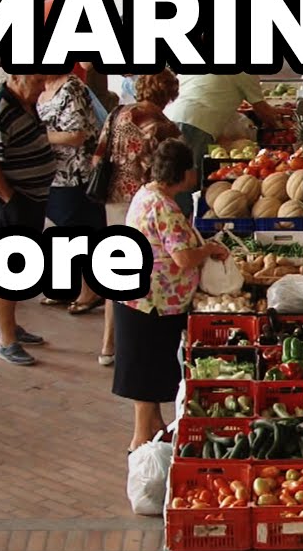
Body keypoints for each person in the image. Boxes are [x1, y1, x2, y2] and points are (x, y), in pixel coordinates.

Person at [114, 139, 229, 451]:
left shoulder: (147, 194)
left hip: (143, 299)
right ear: (184, 173)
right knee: (147, 377)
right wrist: (208, 249)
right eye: (192, 169)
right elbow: (183, 258)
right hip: (154, 303)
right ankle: (140, 446)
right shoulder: (164, 208)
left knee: (147, 376)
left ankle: (156, 431)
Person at [92, 70, 184, 366]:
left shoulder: (117, 113)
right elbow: (169, 174)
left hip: (113, 199)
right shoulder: (164, 127)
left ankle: (108, 345)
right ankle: (138, 344)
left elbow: (98, 156)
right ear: (169, 95)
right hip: (144, 206)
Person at [0, 72, 58, 366]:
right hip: (7, 203)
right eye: (36, 81)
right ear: (16, 77)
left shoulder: (24, 102)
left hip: (28, 200)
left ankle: (8, 326)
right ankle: (7, 341)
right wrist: (12, 200)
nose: (42, 87)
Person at [38, 71, 106, 313]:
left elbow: (77, 135)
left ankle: (90, 290)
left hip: (77, 173)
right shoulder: (41, 87)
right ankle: (63, 287)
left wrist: (40, 137)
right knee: (59, 228)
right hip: (54, 174)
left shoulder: (70, 87)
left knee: (78, 229)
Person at [165, 73, 281, 215]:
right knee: (185, 179)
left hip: (170, 117)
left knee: (171, 176)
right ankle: (181, 220)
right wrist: (279, 125)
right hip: (193, 123)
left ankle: (170, 219)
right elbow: (262, 109)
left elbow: (210, 95)